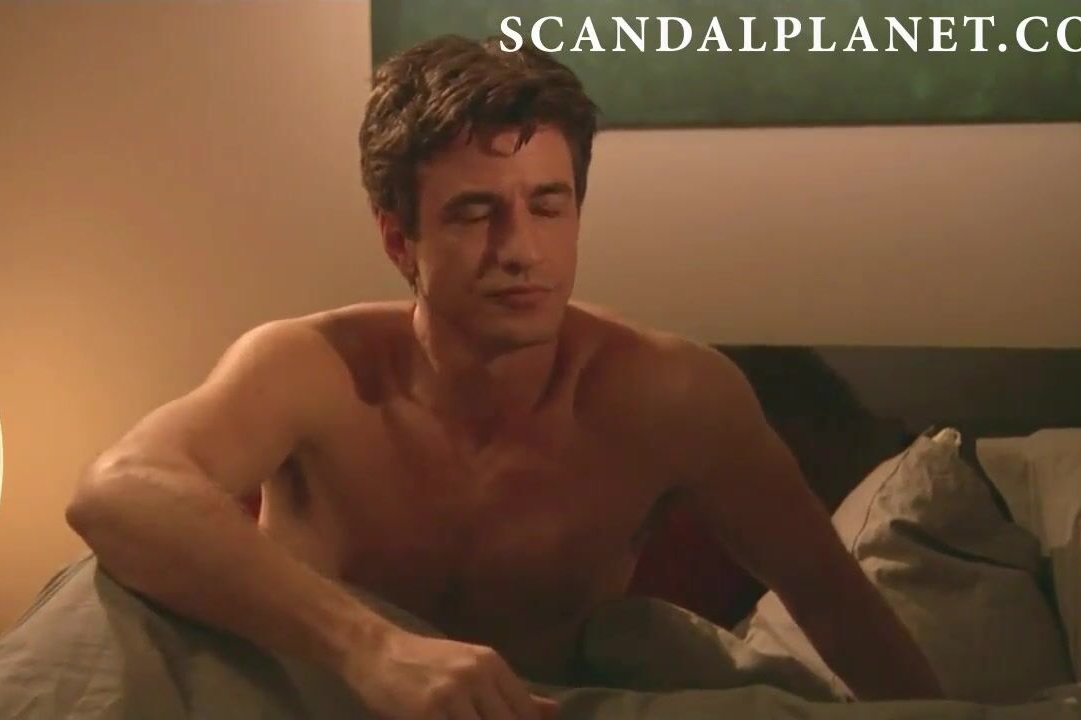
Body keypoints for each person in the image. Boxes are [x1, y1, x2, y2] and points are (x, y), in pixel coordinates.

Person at [65, 34, 944, 720]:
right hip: (316, 698)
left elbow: (836, 604)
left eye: (547, 206)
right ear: (399, 239)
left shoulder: (671, 394)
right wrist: (371, 649)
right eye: (474, 212)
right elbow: (116, 492)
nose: (520, 249)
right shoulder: (314, 370)